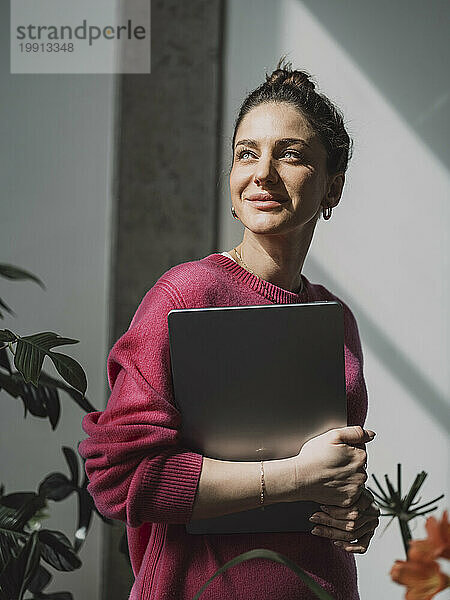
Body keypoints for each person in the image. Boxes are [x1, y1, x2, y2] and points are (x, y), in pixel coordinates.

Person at [79, 58, 380, 600]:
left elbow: (332, 481)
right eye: (247, 153)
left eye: (290, 155)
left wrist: (354, 513)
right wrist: (296, 476)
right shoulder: (185, 296)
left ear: (332, 188)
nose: (262, 173)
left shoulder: (335, 318)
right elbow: (118, 478)